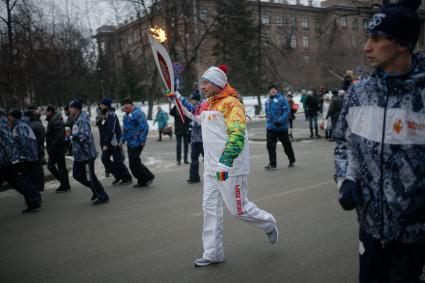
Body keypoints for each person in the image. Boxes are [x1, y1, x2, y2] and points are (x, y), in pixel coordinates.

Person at [334, 0, 425, 281]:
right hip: (371, 228)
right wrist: (346, 179)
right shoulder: (359, 94)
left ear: (401, 43)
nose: (366, 47)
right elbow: (343, 142)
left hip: (417, 234)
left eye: (376, 38)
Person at [167, 65, 278, 267]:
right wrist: (177, 96)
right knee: (209, 210)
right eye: (202, 82)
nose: (202, 87)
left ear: (217, 83)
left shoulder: (231, 104)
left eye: (206, 82)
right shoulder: (208, 104)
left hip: (229, 168)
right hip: (211, 168)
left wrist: (225, 162)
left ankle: (268, 222)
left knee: (239, 210)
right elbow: (193, 112)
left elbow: (236, 135)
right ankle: (213, 253)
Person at [68, 100, 109, 205]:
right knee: (77, 175)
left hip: (86, 155)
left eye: (71, 107)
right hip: (79, 155)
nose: (69, 109)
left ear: (76, 108)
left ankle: (102, 195)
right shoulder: (76, 119)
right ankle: (95, 190)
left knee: (89, 176)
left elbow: (85, 136)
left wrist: (72, 137)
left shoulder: (83, 119)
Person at [0, 109, 41, 213]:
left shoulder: (5, 125)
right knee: (18, 182)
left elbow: (10, 143)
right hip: (8, 160)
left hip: (6, 160)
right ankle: (34, 200)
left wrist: (16, 159)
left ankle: (34, 199)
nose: (9, 117)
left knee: (20, 181)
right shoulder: (8, 124)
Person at [119, 97, 155, 188]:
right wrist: (122, 140)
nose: (125, 106)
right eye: (124, 105)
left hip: (137, 142)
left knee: (135, 162)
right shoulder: (126, 116)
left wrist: (142, 140)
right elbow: (125, 130)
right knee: (133, 164)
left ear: (132, 105)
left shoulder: (138, 113)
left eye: (127, 104)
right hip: (130, 143)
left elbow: (144, 127)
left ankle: (148, 176)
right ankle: (142, 180)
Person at [8, 109, 45, 193]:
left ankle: (35, 195)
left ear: (14, 117)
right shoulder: (20, 125)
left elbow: (25, 142)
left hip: (27, 157)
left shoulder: (20, 126)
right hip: (28, 157)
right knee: (30, 177)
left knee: (30, 177)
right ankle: (35, 195)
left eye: (10, 116)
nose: (8, 118)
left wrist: (22, 157)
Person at [98, 98, 132, 186]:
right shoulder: (105, 114)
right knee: (105, 159)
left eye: (101, 104)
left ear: (105, 105)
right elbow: (104, 129)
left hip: (115, 142)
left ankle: (127, 178)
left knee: (118, 161)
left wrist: (105, 143)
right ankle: (118, 175)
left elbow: (111, 130)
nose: (100, 106)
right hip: (108, 142)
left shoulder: (111, 114)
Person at [264, 85, 296, 170]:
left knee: (286, 145)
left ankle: (291, 160)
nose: (273, 90)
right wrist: (268, 123)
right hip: (271, 128)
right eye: (271, 89)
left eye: (274, 89)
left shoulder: (282, 99)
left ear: (277, 91)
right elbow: (268, 114)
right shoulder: (267, 101)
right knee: (270, 146)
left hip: (281, 127)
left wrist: (280, 120)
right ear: (269, 91)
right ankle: (272, 164)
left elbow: (286, 111)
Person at [45, 105, 71, 192]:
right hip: (56, 147)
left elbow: (58, 135)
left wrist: (52, 145)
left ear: (50, 112)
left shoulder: (55, 119)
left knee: (56, 166)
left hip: (57, 147)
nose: (44, 113)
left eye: (46, 111)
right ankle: (65, 183)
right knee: (57, 166)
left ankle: (64, 184)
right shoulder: (53, 119)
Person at [24, 106, 46, 191]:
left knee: (35, 170)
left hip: (35, 150)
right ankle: (40, 186)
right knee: (39, 168)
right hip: (39, 148)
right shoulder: (38, 123)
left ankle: (38, 187)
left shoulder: (31, 125)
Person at [186, 90, 204, 184]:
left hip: (203, 139)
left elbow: (200, 123)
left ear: (196, 100)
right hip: (195, 139)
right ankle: (194, 177)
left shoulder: (202, 108)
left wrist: (195, 121)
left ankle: (214, 175)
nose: (190, 101)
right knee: (193, 158)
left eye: (192, 99)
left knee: (207, 160)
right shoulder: (193, 109)